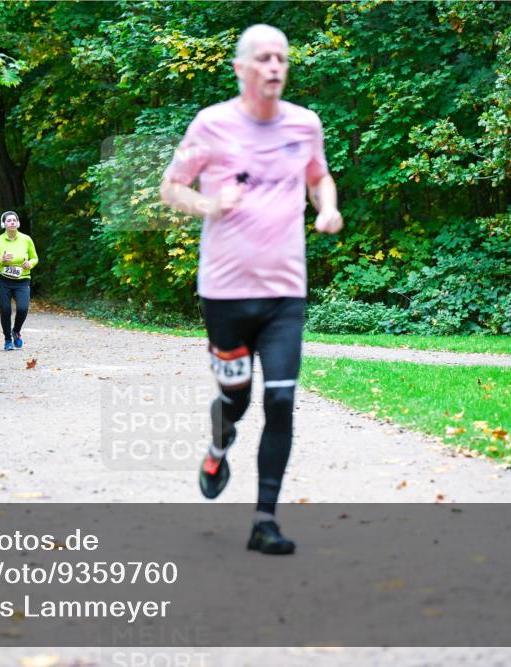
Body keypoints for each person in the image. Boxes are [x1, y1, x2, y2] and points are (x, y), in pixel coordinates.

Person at [160, 24, 343, 555]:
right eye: (263, 58)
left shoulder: (304, 124)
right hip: (225, 291)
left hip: (286, 290)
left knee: (281, 402)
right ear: (241, 68)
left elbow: (319, 176)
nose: (274, 66)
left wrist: (326, 207)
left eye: (281, 58)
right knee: (234, 400)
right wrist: (208, 206)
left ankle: (265, 520)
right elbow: (171, 187)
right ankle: (219, 442)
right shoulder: (212, 124)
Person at [0, 211, 38, 351]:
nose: (12, 222)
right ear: (3, 224)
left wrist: (30, 264)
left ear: (18, 223)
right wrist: (1, 260)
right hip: (4, 281)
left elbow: (35, 258)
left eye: (14, 220)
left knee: (22, 308)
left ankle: (16, 331)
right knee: (6, 310)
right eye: (9, 220)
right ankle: (8, 339)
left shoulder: (26, 239)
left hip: (22, 281)